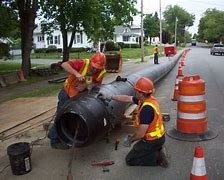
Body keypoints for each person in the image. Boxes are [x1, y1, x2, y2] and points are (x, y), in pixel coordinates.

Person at [48, 52, 107, 149]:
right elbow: (64, 64)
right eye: (94, 66)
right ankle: (54, 141)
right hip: (67, 93)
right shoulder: (83, 63)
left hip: (78, 96)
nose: (95, 69)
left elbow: (96, 84)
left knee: (70, 117)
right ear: (91, 62)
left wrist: (85, 86)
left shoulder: (101, 72)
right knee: (61, 116)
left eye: (98, 68)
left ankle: (54, 134)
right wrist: (76, 73)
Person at [107, 77, 168, 167]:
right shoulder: (147, 99)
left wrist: (130, 140)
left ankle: (158, 159)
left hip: (153, 140)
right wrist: (111, 97)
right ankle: (156, 149)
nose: (135, 92)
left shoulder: (146, 110)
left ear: (141, 93)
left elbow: (140, 135)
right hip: (158, 136)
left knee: (130, 159)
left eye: (136, 90)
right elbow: (127, 98)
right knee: (138, 150)